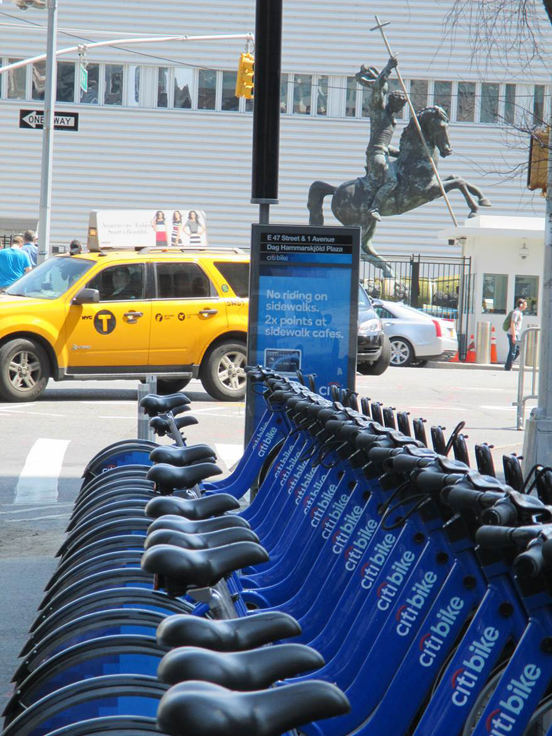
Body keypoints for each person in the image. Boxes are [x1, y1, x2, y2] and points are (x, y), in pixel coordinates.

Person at [355, 56, 408, 222]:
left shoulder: (391, 119)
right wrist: (388, 68)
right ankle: (375, 207)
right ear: (391, 101)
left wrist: (401, 153)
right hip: (375, 154)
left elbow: (385, 145)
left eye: (401, 107)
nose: (399, 109)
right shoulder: (379, 110)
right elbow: (378, 87)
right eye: (398, 105)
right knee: (392, 180)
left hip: (382, 152)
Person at [504, 298, 527, 371]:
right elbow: (512, 324)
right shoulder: (516, 313)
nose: (526, 306)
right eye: (525, 305)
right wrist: (514, 336)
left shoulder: (519, 312)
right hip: (512, 333)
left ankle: (508, 364)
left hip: (515, 333)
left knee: (517, 350)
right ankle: (508, 367)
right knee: (513, 351)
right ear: (521, 305)